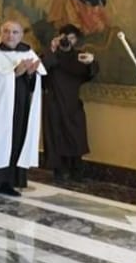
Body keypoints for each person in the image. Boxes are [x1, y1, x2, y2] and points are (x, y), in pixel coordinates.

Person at [0, 21, 45, 197]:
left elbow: (36, 80)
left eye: (15, 32)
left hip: (19, 105)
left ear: (21, 35)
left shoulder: (27, 52)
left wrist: (30, 74)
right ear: (1, 33)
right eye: (6, 31)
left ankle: (8, 182)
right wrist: (14, 73)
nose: (10, 35)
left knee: (16, 140)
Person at [41, 24, 98, 180]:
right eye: (65, 37)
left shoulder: (79, 56)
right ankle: (59, 171)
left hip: (73, 104)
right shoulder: (51, 54)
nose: (68, 41)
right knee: (56, 137)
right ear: (59, 38)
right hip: (54, 103)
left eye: (72, 38)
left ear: (76, 40)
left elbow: (91, 73)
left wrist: (91, 62)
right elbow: (42, 69)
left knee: (75, 136)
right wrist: (52, 50)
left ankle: (76, 170)